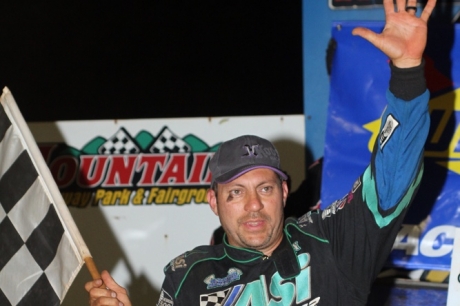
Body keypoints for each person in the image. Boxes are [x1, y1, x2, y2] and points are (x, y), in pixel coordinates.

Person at [85, 0, 436, 304]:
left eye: (265, 189)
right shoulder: (189, 277)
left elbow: (393, 176)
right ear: (214, 201)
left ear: (284, 193)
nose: (253, 205)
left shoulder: (330, 244)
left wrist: (407, 74)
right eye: (236, 192)